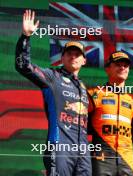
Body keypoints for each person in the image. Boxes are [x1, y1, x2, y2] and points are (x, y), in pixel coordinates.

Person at [15, 10, 91, 176]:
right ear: (61, 58)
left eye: (77, 54)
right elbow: (24, 66)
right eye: (69, 53)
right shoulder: (52, 77)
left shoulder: (84, 88)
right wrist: (25, 37)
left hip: (83, 154)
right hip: (59, 149)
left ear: (84, 61)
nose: (73, 56)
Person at [87, 51, 133, 176]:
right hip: (102, 157)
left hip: (127, 160)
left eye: (126, 66)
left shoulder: (132, 101)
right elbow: (78, 127)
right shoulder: (94, 94)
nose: (122, 68)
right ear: (107, 69)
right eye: (118, 64)